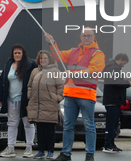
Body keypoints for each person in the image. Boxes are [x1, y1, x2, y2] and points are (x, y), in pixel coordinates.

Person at [45, 27, 105, 161]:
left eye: (89, 36)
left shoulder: (98, 53)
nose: (86, 38)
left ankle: (90, 154)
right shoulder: (73, 51)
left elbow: (94, 70)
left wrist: (73, 74)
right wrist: (51, 42)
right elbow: (57, 55)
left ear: (93, 37)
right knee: (68, 125)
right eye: (84, 36)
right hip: (71, 95)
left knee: (89, 125)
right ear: (81, 37)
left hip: (86, 95)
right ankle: (66, 154)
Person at [0, 44, 37, 158]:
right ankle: (10, 147)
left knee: (28, 124)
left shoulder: (30, 65)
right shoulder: (8, 65)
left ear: (23, 54)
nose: (17, 55)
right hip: (10, 100)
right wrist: (0, 98)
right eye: (15, 53)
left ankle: (29, 147)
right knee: (12, 124)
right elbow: (2, 81)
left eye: (19, 53)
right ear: (12, 54)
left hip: (25, 100)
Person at [27, 50, 64, 159]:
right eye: (41, 58)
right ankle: (41, 151)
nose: (43, 60)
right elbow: (29, 86)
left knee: (50, 130)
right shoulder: (34, 71)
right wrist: (30, 96)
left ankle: (51, 151)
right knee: (40, 130)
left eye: (45, 58)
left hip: (50, 105)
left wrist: (56, 99)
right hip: (37, 105)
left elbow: (61, 88)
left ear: (50, 60)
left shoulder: (55, 71)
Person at [102, 53, 131, 153]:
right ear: (120, 59)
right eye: (124, 63)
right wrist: (127, 83)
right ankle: (108, 145)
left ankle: (111, 143)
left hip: (114, 100)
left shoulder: (113, 68)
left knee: (114, 124)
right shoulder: (113, 69)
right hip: (112, 100)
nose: (124, 65)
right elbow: (116, 82)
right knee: (111, 124)